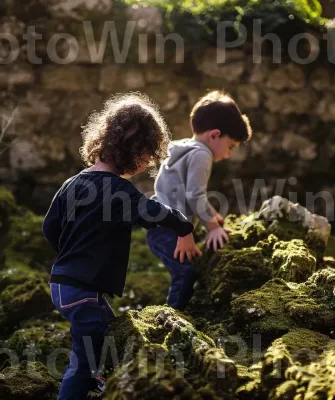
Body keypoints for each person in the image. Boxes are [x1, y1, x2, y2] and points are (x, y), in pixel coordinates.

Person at [42, 93, 202, 400]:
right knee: (84, 359)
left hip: (63, 283)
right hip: (82, 289)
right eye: (146, 156)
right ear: (134, 150)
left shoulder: (71, 183)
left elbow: (50, 228)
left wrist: (73, 252)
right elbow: (154, 213)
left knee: (110, 328)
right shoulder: (118, 191)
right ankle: (78, 389)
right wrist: (185, 228)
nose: (145, 164)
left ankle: (100, 383)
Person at [147, 90, 253, 310]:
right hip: (168, 229)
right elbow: (195, 194)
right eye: (231, 146)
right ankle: (173, 317)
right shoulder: (202, 154)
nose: (229, 154)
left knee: (187, 270)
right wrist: (212, 227)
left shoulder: (183, 147)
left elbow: (184, 191)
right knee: (185, 273)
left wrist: (211, 214)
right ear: (214, 135)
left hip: (160, 226)